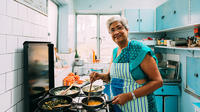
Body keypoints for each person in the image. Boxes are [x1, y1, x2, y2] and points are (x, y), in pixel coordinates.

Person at [90, 16, 163, 112]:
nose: (116, 32)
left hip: (140, 106)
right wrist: (100, 76)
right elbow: (111, 77)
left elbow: (158, 82)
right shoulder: (115, 52)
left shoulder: (139, 49)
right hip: (120, 106)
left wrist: (129, 96)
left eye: (119, 28)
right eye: (112, 30)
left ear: (127, 29)